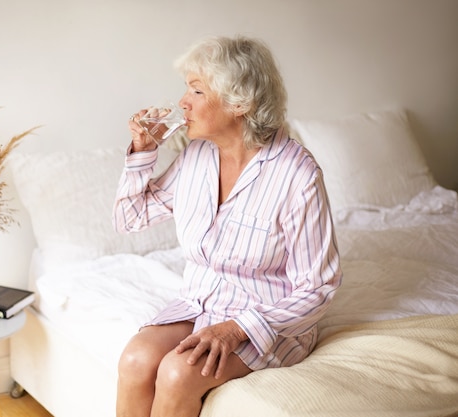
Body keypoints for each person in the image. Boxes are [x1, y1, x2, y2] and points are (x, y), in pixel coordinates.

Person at [113, 35, 342, 417]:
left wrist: (236, 328)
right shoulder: (197, 155)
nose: (183, 102)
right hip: (201, 303)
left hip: (264, 320)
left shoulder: (296, 175)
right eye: (186, 88)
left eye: (197, 90)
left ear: (240, 102)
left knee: (176, 373)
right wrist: (143, 151)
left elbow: (318, 287)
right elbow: (131, 218)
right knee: (136, 359)